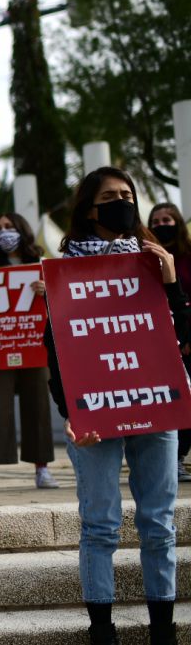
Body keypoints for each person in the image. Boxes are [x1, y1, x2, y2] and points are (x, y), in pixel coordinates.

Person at [45, 166, 191, 645]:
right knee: (102, 526)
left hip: (156, 407)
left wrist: (171, 282)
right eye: (110, 197)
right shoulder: (65, 274)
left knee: (159, 526)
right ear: (89, 209)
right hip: (97, 413)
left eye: (128, 195)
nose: (123, 203)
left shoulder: (154, 263)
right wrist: (73, 411)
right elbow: (56, 349)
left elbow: (184, 341)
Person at [0, 214, 58, 492]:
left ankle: (42, 469)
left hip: (36, 346)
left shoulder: (41, 266)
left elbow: (62, 303)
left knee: (38, 405)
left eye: (9, 227)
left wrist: (48, 291)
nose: (3, 232)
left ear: (22, 230)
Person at [148, 202, 191, 483]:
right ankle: (169, 461)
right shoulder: (144, 257)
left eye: (168, 219)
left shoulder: (188, 257)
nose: (162, 225)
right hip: (155, 341)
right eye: (156, 221)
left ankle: (180, 456)